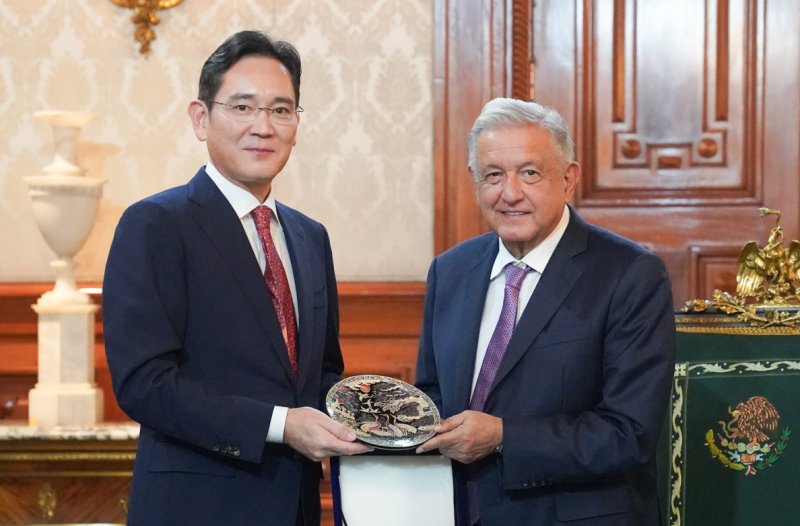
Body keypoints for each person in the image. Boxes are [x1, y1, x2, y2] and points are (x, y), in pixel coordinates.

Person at [102, 31, 370, 526]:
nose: (263, 127)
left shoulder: (310, 238)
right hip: (195, 508)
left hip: (296, 507)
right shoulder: (156, 224)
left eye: (281, 110)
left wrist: (376, 421)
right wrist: (281, 425)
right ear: (201, 118)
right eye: (243, 107)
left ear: (296, 125)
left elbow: (322, 373)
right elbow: (145, 383)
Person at [415, 98, 676, 525]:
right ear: (474, 180)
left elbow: (629, 432)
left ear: (568, 178)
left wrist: (503, 437)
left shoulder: (629, 274)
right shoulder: (450, 270)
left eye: (530, 173)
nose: (510, 193)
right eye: (493, 175)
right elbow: (433, 397)